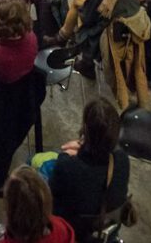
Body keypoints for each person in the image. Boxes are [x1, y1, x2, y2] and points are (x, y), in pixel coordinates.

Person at [45, 99, 129, 241]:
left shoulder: (67, 166)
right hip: (106, 233)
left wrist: (65, 155)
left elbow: (51, 200)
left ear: (85, 129)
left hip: (71, 233)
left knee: (38, 166)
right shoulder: (122, 160)